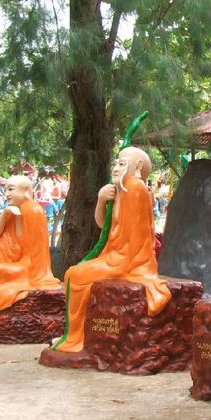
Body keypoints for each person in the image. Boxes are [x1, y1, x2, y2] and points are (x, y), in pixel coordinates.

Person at [53, 147, 171, 353]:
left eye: (122, 164)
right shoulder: (121, 189)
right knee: (73, 273)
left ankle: (75, 336)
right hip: (114, 254)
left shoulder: (135, 188)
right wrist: (101, 200)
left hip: (128, 259)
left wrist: (115, 259)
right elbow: (104, 226)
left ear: (138, 167)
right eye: (116, 163)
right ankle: (74, 333)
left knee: (76, 275)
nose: (115, 168)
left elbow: (133, 241)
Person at [0, 176, 60, 313]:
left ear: (25, 190)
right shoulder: (13, 209)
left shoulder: (33, 210)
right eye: (6, 189)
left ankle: (5, 277)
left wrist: (19, 266)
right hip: (13, 258)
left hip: (29, 266)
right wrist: (5, 214)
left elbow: (34, 254)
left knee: (7, 275)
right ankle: (2, 276)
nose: (7, 194)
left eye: (11, 189)